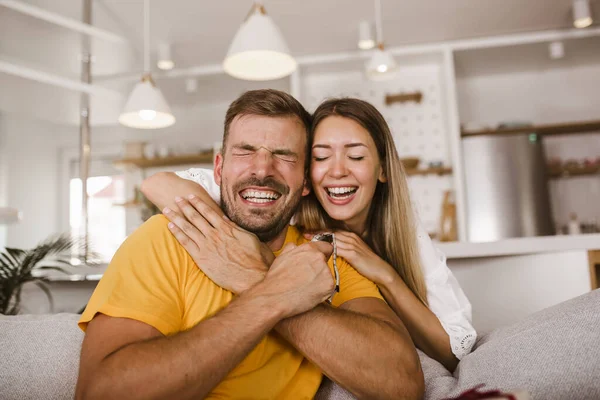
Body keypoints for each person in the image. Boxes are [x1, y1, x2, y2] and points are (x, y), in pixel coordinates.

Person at [75, 90, 424, 400]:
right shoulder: (165, 238)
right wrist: (272, 294)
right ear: (218, 167)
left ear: (305, 182)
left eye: (284, 155)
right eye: (245, 151)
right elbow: (100, 392)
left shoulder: (326, 257)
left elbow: (402, 384)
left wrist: (251, 274)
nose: (262, 169)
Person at [143, 97, 477, 373]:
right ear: (304, 173)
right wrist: (242, 247)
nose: (337, 170)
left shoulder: (405, 232)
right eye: (320, 157)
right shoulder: (284, 205)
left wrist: (385, 274)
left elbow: (453, 350)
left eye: (356, 156)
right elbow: (158, 184)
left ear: (384, 169)